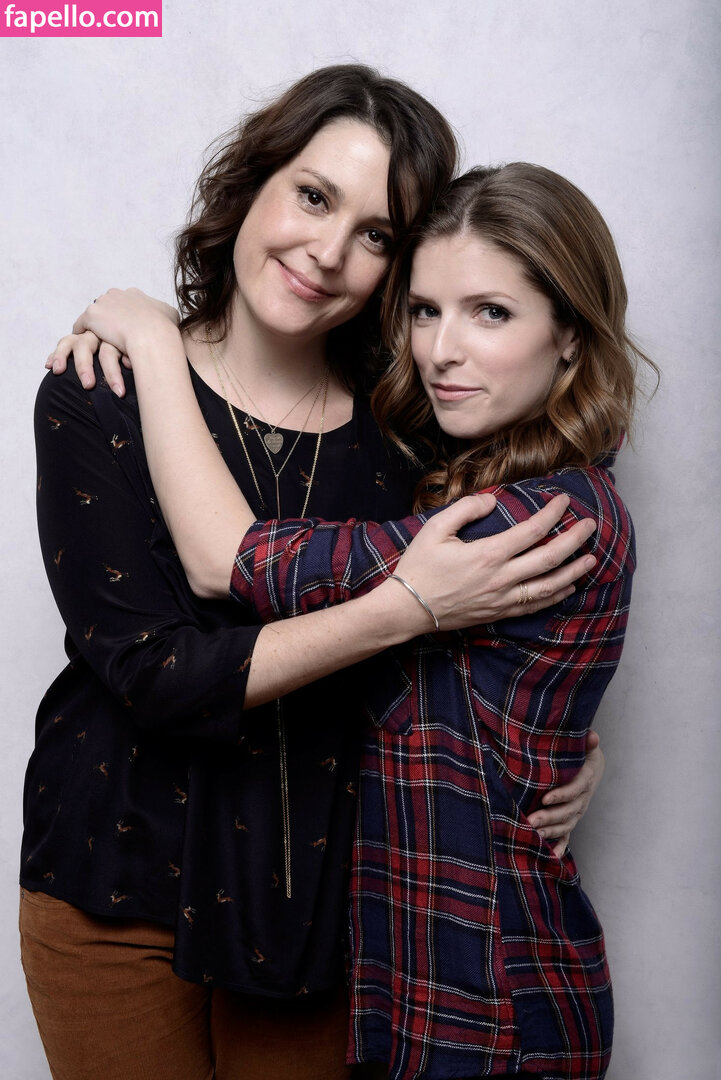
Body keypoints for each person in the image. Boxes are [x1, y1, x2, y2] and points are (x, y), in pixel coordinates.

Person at [29, 66, 602, 1080]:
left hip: (320, 906)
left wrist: (565, 750)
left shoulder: (417, 426)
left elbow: (501, 624)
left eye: (375, 234)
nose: (328, 252)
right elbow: (156, 672)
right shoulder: (103, 386)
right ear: (251, 182)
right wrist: (405, 608)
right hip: (113, 879)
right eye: (312, 195)